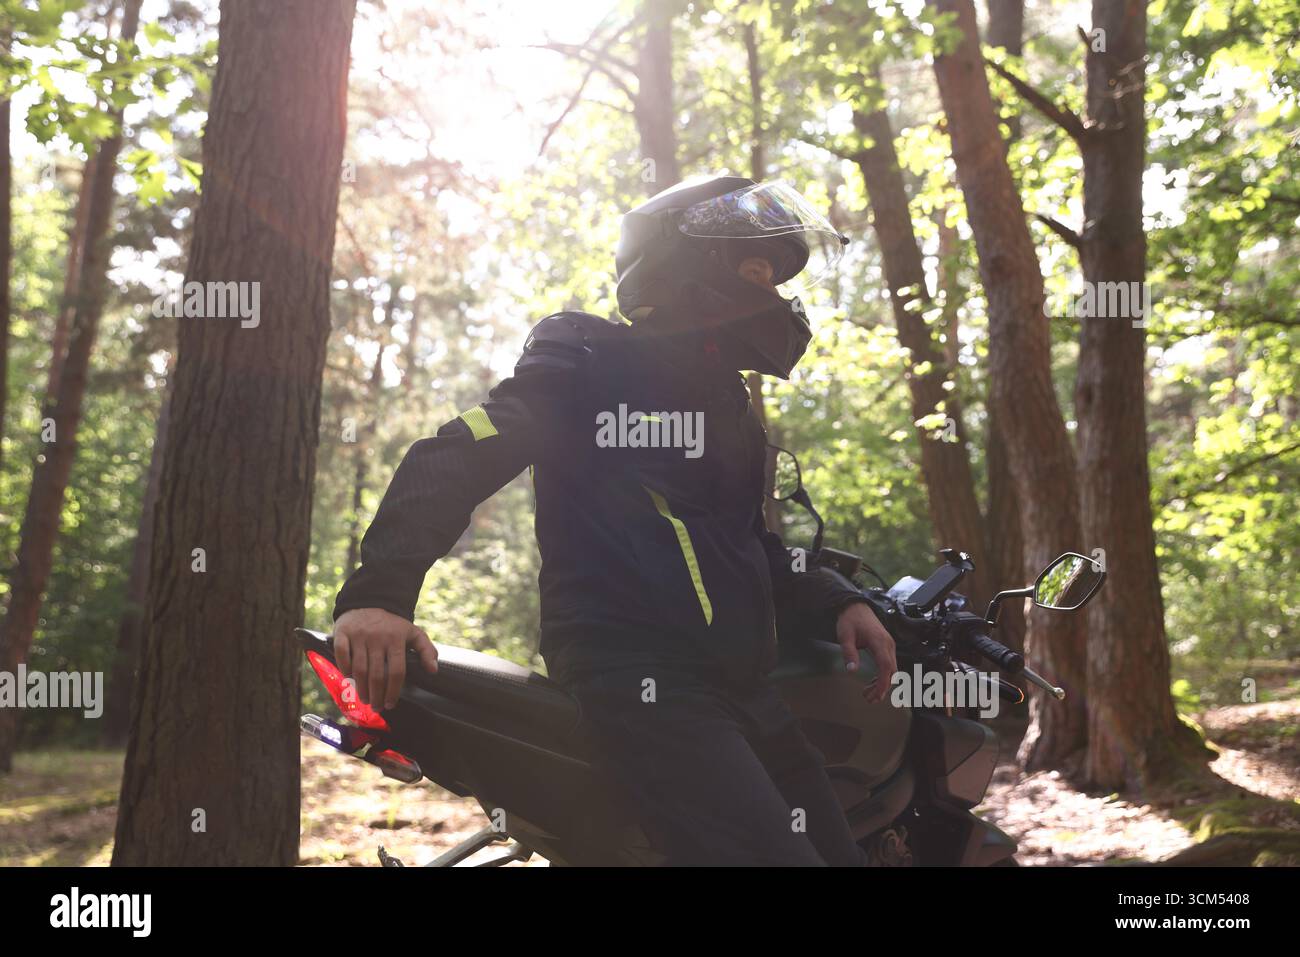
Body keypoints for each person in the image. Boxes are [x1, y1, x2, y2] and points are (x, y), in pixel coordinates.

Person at [331, 174, 897, 865]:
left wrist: (838, 598)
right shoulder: (592, 355)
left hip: (746, 692)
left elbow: (748, 541)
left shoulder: (729, 406)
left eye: (775, 277)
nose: (771, 292)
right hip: (642, 682)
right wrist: (379, 594)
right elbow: (467, 449)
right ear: (685, 261)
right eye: (755, 268)